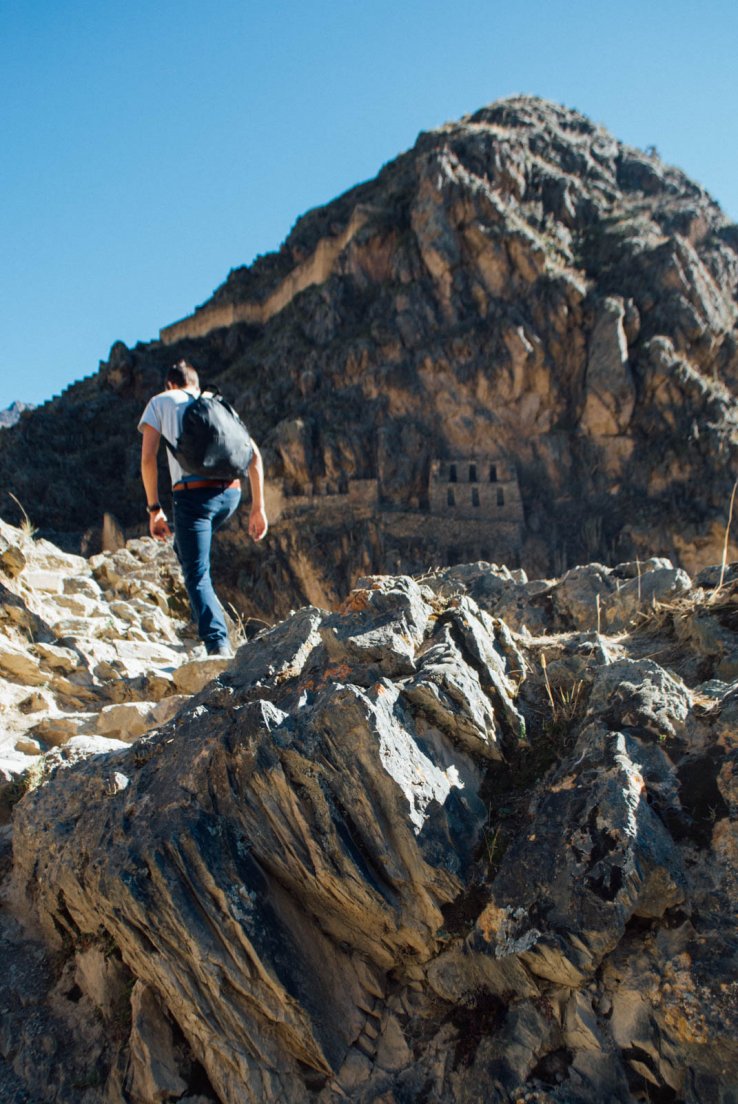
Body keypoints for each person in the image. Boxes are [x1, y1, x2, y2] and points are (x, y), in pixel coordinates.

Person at [138, 360, 268, 657]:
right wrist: (258, 507)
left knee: (196, 572)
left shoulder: (160, 402)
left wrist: (154, 508)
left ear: (170, 384)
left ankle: (217, 645)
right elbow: (255, 457)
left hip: (193, 497)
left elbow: (148, 459)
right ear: (195, 383)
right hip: (231, 495)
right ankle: (211, 620)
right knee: (186, 553)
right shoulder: (215, 400)